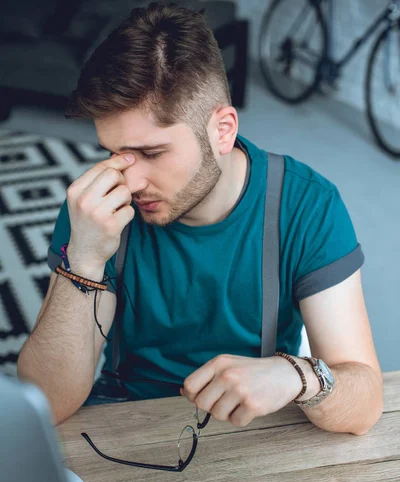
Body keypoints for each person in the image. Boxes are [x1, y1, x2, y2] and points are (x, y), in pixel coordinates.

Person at [17, 2, 383, 434]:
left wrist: (298, 376)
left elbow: (364, 405)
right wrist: (83, 259)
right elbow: (44, 404)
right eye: (113, 153)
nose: (128, 181)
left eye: (152, 153)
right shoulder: (96, 208)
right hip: (126, 417)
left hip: (253, 423)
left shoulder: (307, 204)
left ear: (222, 130)